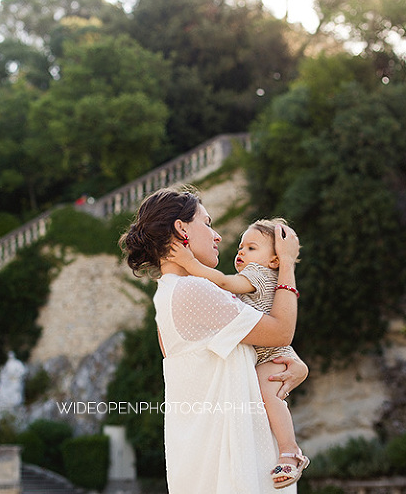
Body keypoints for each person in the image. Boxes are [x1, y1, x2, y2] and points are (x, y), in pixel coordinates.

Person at [119, 187, 308, 494]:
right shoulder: (194, 292)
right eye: (207, 224)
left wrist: (292, 361)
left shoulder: (171, 293)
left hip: (210, 467)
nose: (217, 235)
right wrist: (286, 263)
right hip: (233, 472)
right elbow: (280, 332)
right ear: (182, 229)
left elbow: (259, 345)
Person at [168, 217, 309, 488]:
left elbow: (222, 283)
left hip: (272, 356)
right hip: (269, 354)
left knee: (269, 395)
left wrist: (188, 263)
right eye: (241, 248)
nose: (241, 252)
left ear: (274, 261)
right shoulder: (261, 274)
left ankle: (290, 453)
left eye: (252, 248)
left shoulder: (259, 275)